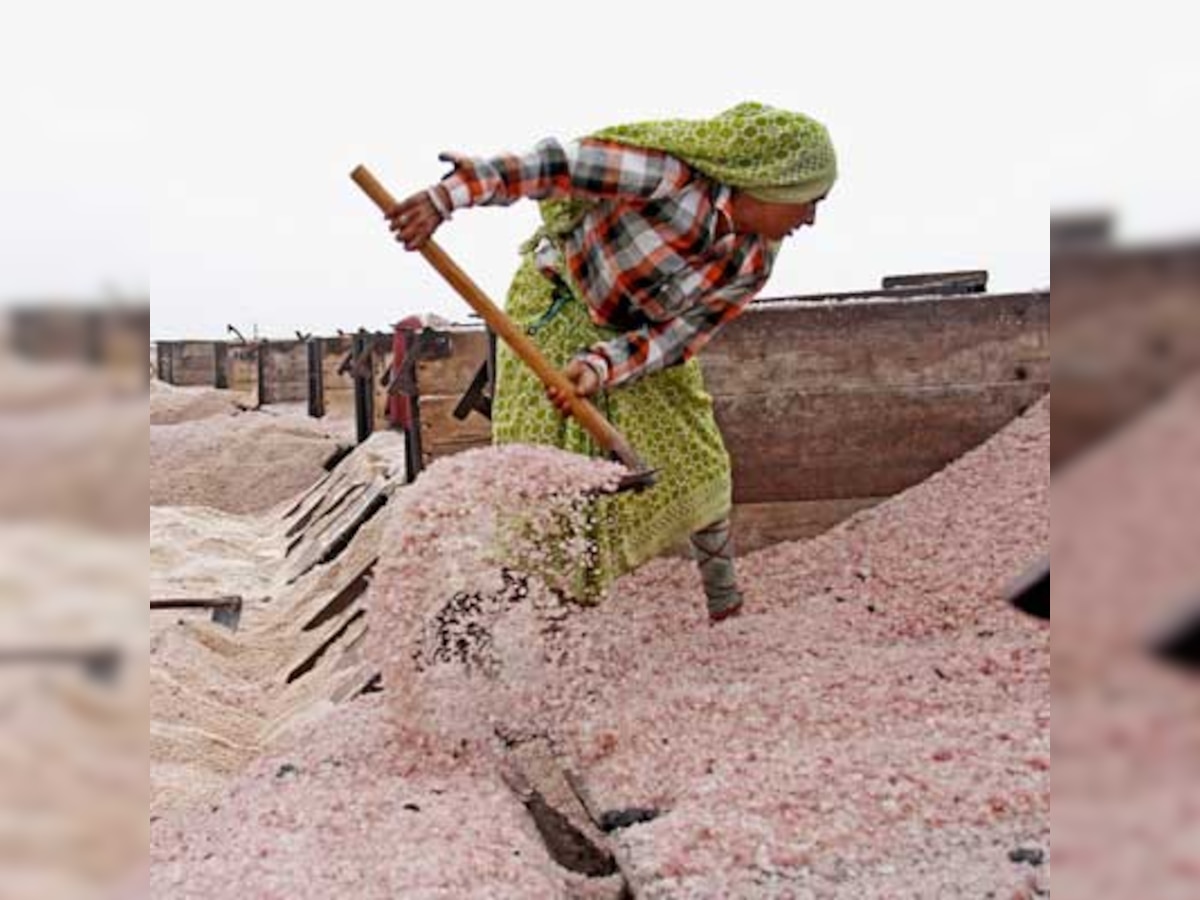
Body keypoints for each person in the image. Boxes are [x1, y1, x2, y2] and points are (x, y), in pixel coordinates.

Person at [387, 101, 837, 622]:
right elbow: (559, 167)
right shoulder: (669, 180)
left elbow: (678, 337)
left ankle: (725, 604)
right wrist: (450, 196)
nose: (810, 218)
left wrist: (604, 366)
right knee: (549, 466)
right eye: (809, 201)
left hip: (633, 339)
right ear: (771, 181)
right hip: (558, 305)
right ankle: (534, 613)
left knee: (698, 457)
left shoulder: (756, 260)